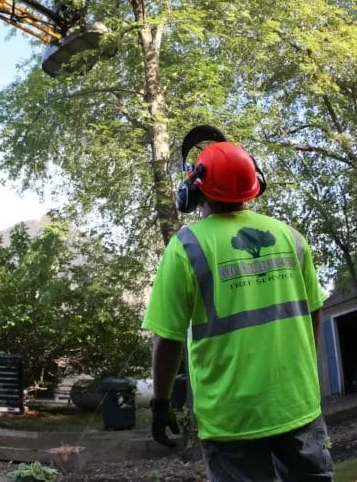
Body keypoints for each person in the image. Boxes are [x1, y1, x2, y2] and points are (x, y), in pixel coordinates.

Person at [142, 131, 332, 482]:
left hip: (232, 420)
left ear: (194, 190)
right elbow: (313, 314)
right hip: (298, 407)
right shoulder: (291, 238)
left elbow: (167, 340)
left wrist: (161, 404)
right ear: (254, 184)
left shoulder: (186, 248)